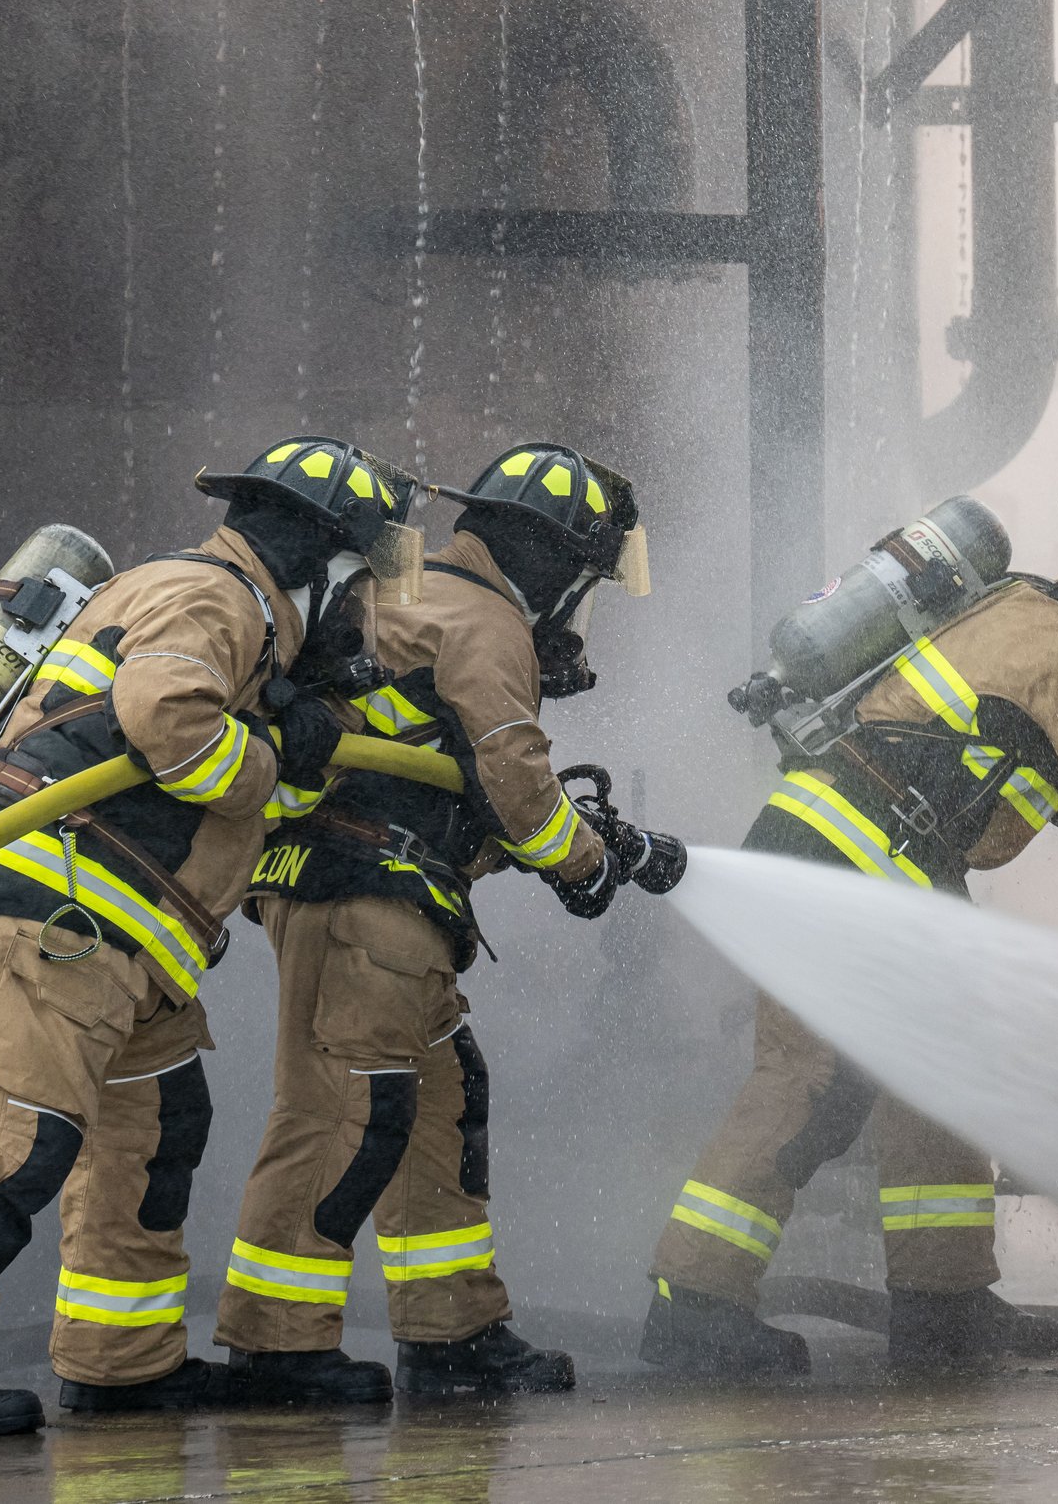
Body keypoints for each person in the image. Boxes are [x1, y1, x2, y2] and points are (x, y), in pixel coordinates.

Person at [0, 437, 411, 1435]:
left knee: (150, 1133)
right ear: (321, 558)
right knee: (13, 1129)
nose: (360, 612)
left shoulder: (245, 624)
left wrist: (293, 747)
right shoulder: (216, 600)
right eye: (358, 583)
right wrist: (275, 757)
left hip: (127, 938)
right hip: (56, 912)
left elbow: (222, 791)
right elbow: (168, 721)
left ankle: (122, 1361)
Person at [643, 497, 1058, 1377]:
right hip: (850, 861)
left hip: (879, 864)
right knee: (807, 1085)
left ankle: (943, 1302)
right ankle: (694, 1301)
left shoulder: (1021, 610)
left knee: (949, 1073)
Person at [222, 442, 681, 1400]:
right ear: (548, 563)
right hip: (369, 897)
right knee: (348, 1111)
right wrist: (585, 864)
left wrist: (589, 841)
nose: (575, 612)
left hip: (363, 888)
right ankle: (279, 1347)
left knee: (434, 1099)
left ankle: (451, 1328)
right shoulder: (486, 621)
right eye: (580, 582)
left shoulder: (415, 596)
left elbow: (455, 772)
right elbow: (516, 778)